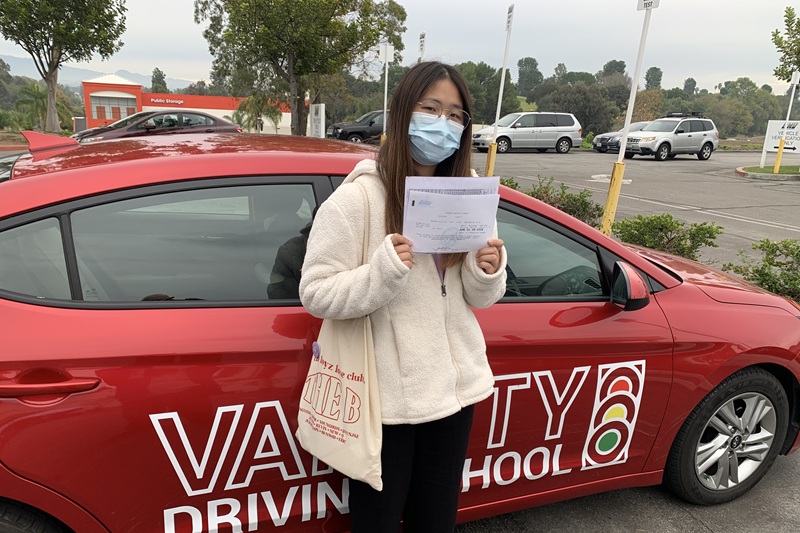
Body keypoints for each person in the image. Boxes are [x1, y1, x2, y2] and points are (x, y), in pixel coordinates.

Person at [298, 61, 507, 533]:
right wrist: (384, 272)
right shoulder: (359, 199)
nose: (443, 123)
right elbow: (315, 292)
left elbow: (478, 298)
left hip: (454, 397)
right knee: (376, 524)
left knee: (436, 522)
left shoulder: (469, 197)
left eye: (455, 115)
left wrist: (487, 270)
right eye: (430, 108)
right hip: (386, 406)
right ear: (402, 113)